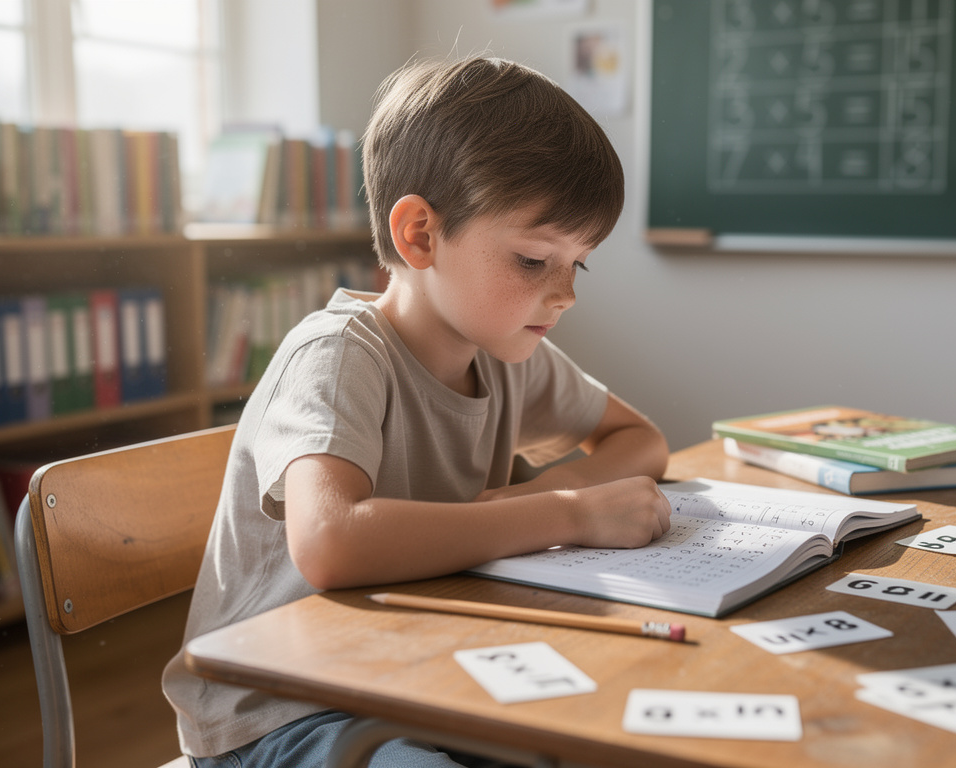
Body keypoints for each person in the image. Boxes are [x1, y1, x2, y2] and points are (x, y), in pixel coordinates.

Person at [162, 55, 672, 768]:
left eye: (577, 263)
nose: (566, 295)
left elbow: (638, 439)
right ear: (420, 236)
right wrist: (568, 512)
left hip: (423, 669)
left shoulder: (500, 349)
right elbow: (332, 542)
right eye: (534, 260)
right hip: (288, 711)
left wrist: (551, 496)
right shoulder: (338, 355)